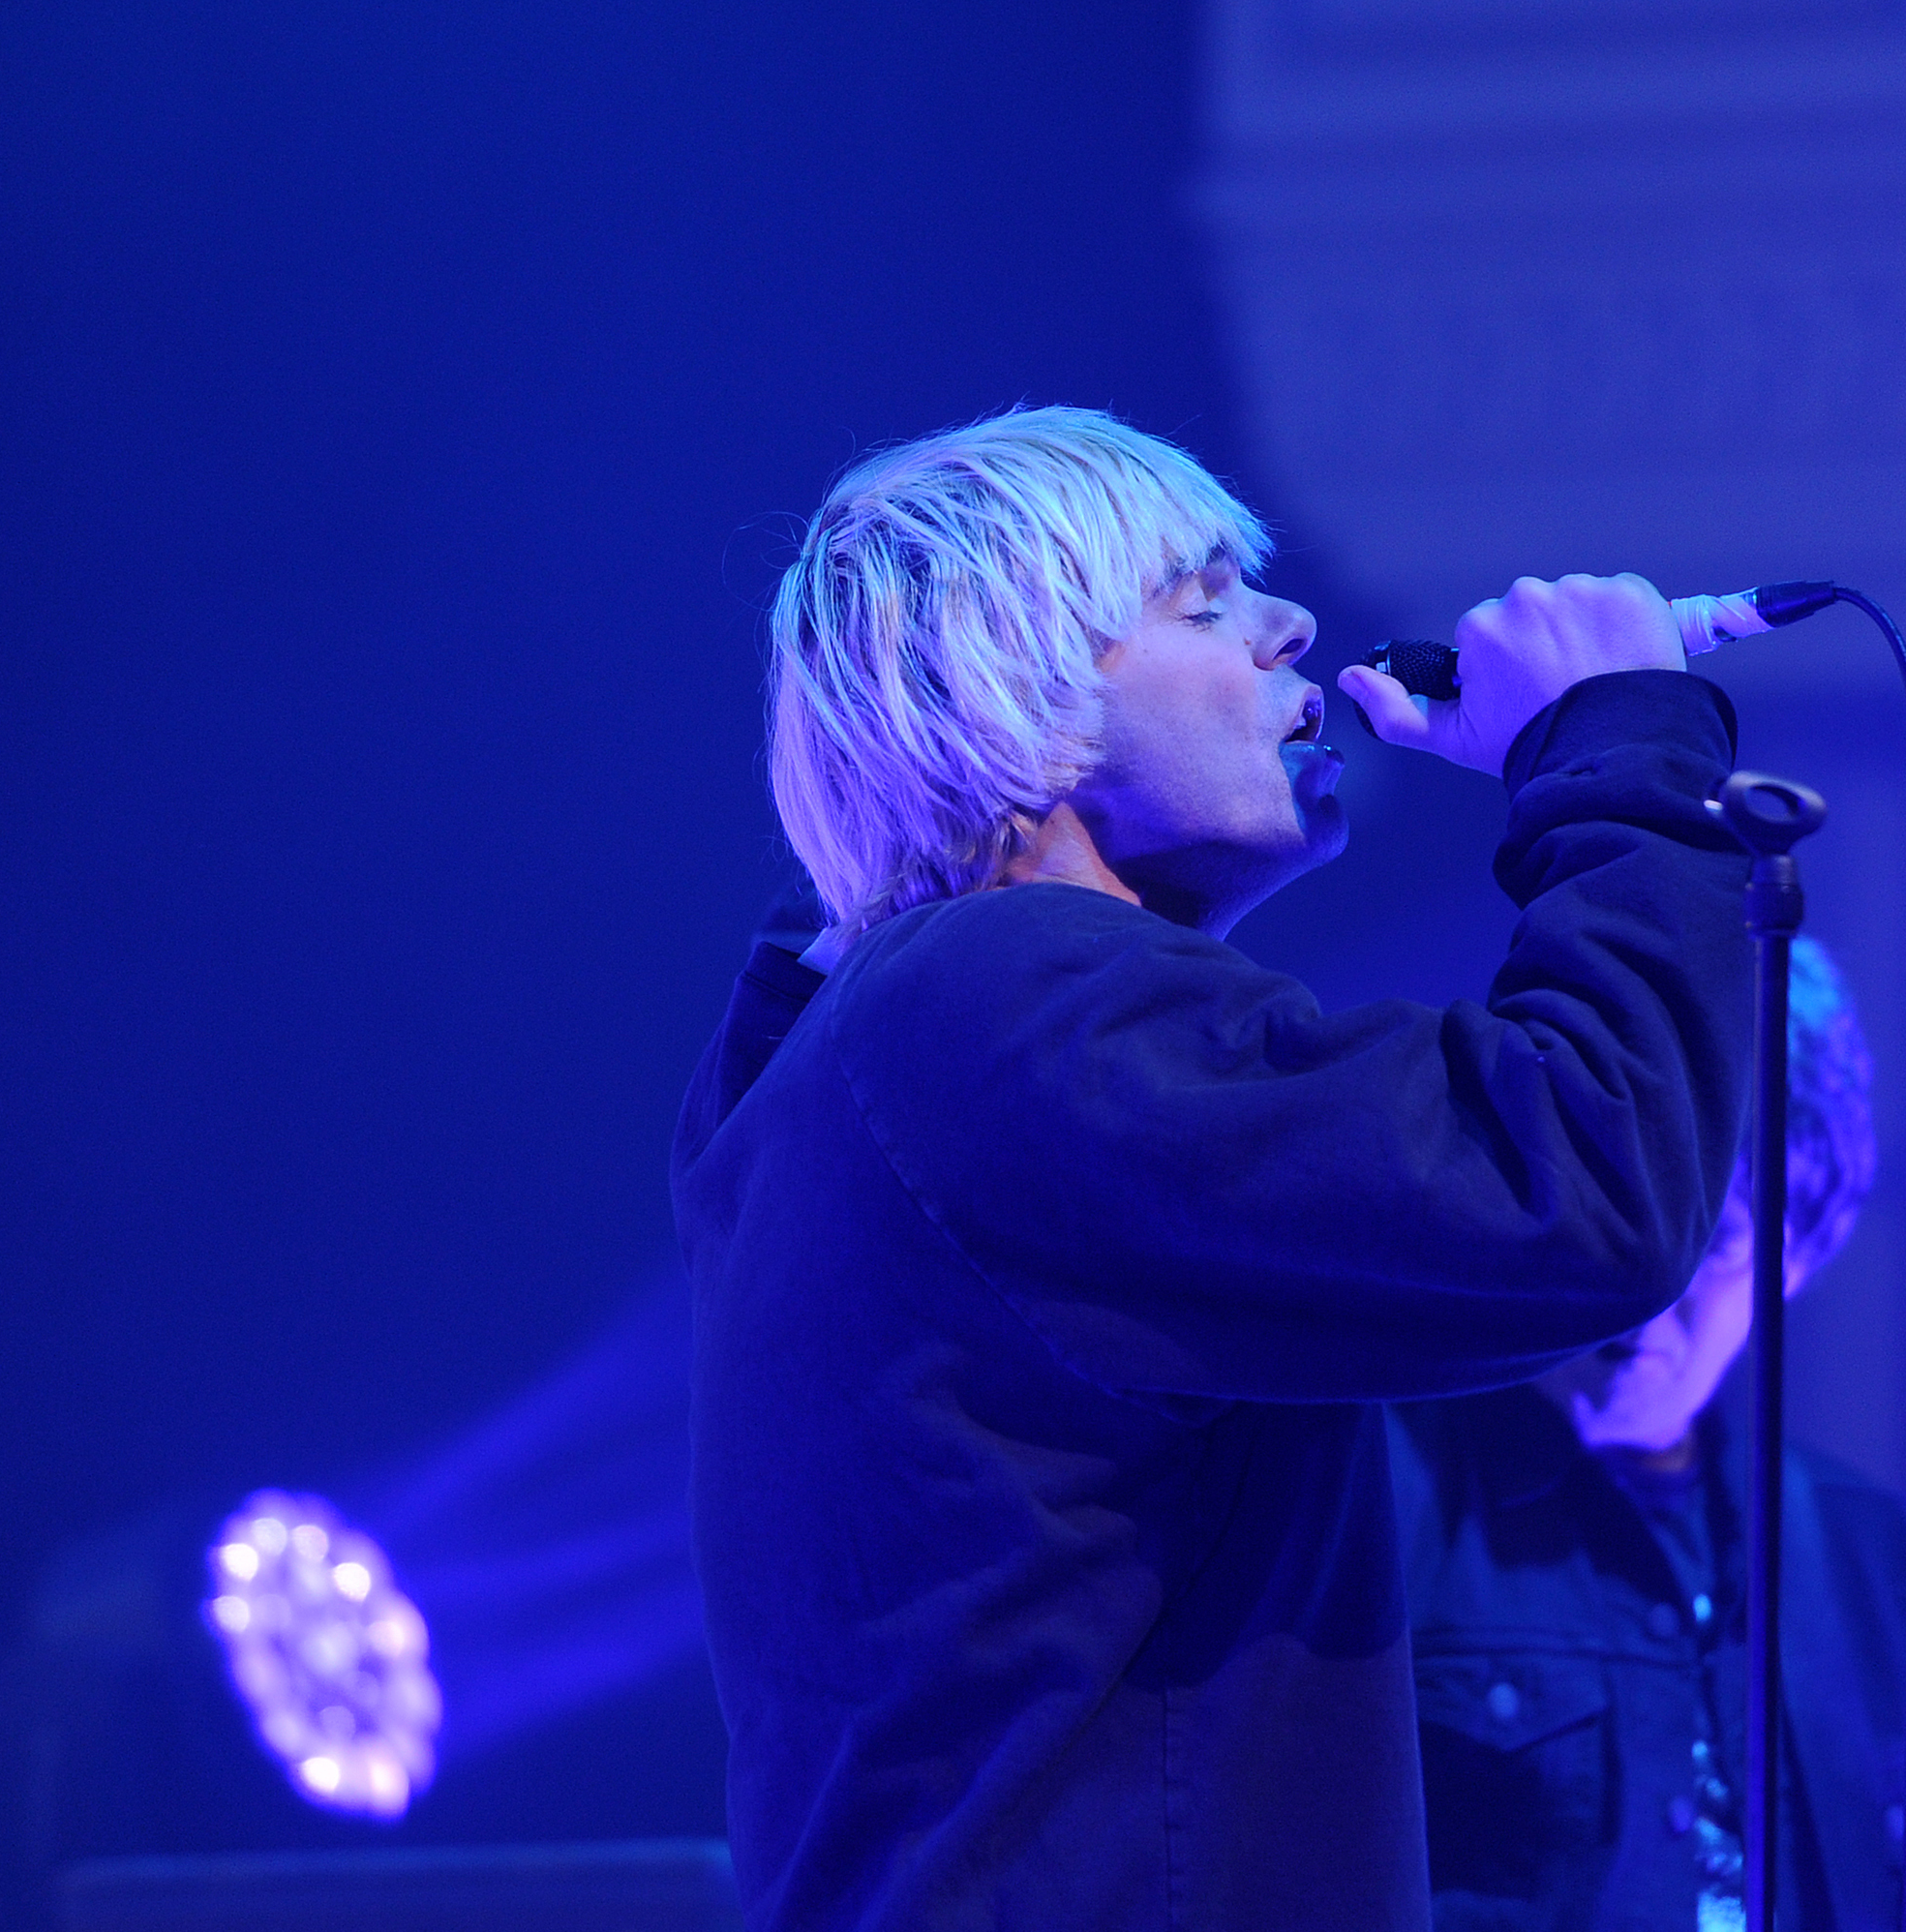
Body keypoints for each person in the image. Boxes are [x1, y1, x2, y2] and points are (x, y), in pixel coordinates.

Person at [671, 406, 1758, 1930]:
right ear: (1020, 700)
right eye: (1201, 602)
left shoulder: (840, 1067)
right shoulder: (1004, 1003)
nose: (1290, 627)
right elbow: (1580, 1190)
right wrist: (1622, 745)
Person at [1389, 940, 1906, 1932]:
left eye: (1710, 1238)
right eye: (1622, 1214)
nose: (1644, 1290)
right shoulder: (1392, 1483)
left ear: (1797, 1257)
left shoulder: (1863, 1558)